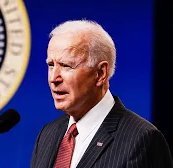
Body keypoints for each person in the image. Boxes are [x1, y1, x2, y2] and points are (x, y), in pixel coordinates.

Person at [30, 20, 173, 168]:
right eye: (51, 65)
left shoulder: (141, 139)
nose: (54, 78)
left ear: (100, 73)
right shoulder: (47, 135)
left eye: (66, 66)